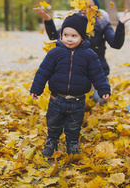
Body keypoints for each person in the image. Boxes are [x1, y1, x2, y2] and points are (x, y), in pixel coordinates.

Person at [30, 13, 111, 157]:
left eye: (74, 36)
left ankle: (72, 143)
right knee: (53, 122)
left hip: (77, 100)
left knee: (74, 125)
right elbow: (43, 72)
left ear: (82, 38)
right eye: (66, 34)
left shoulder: (89, 55)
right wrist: (36, 88)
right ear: (61, 35)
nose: (69, 39)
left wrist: (103, 89)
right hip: (57, 98)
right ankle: (51, 141)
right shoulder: (55, 53)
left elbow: (97, 74)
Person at [34, 0, 130, 103]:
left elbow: (116, 44)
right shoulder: (75, 22)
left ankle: (92, 90)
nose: (87, 10)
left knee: (99, 99)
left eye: (90, 7)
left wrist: (121, 24)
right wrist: (48, 20)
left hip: (96, 70)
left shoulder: (102, 24)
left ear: (96, 9)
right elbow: (56, 38)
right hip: (77, 71)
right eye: (84, 6)